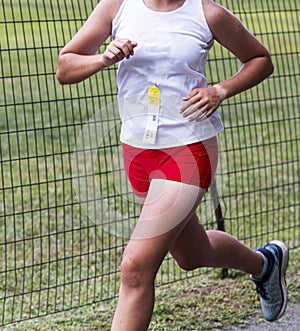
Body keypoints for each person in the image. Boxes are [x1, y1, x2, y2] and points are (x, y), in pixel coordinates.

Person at [56, 0, 289, 330]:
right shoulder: (117, 6)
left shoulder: (207, 13)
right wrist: (103, 58)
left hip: (189, 149)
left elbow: (261, 60)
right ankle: (265, 264)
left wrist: (220, 91)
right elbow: (65, 68)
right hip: (137, 152)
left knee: (135, 269)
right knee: (192, 254)